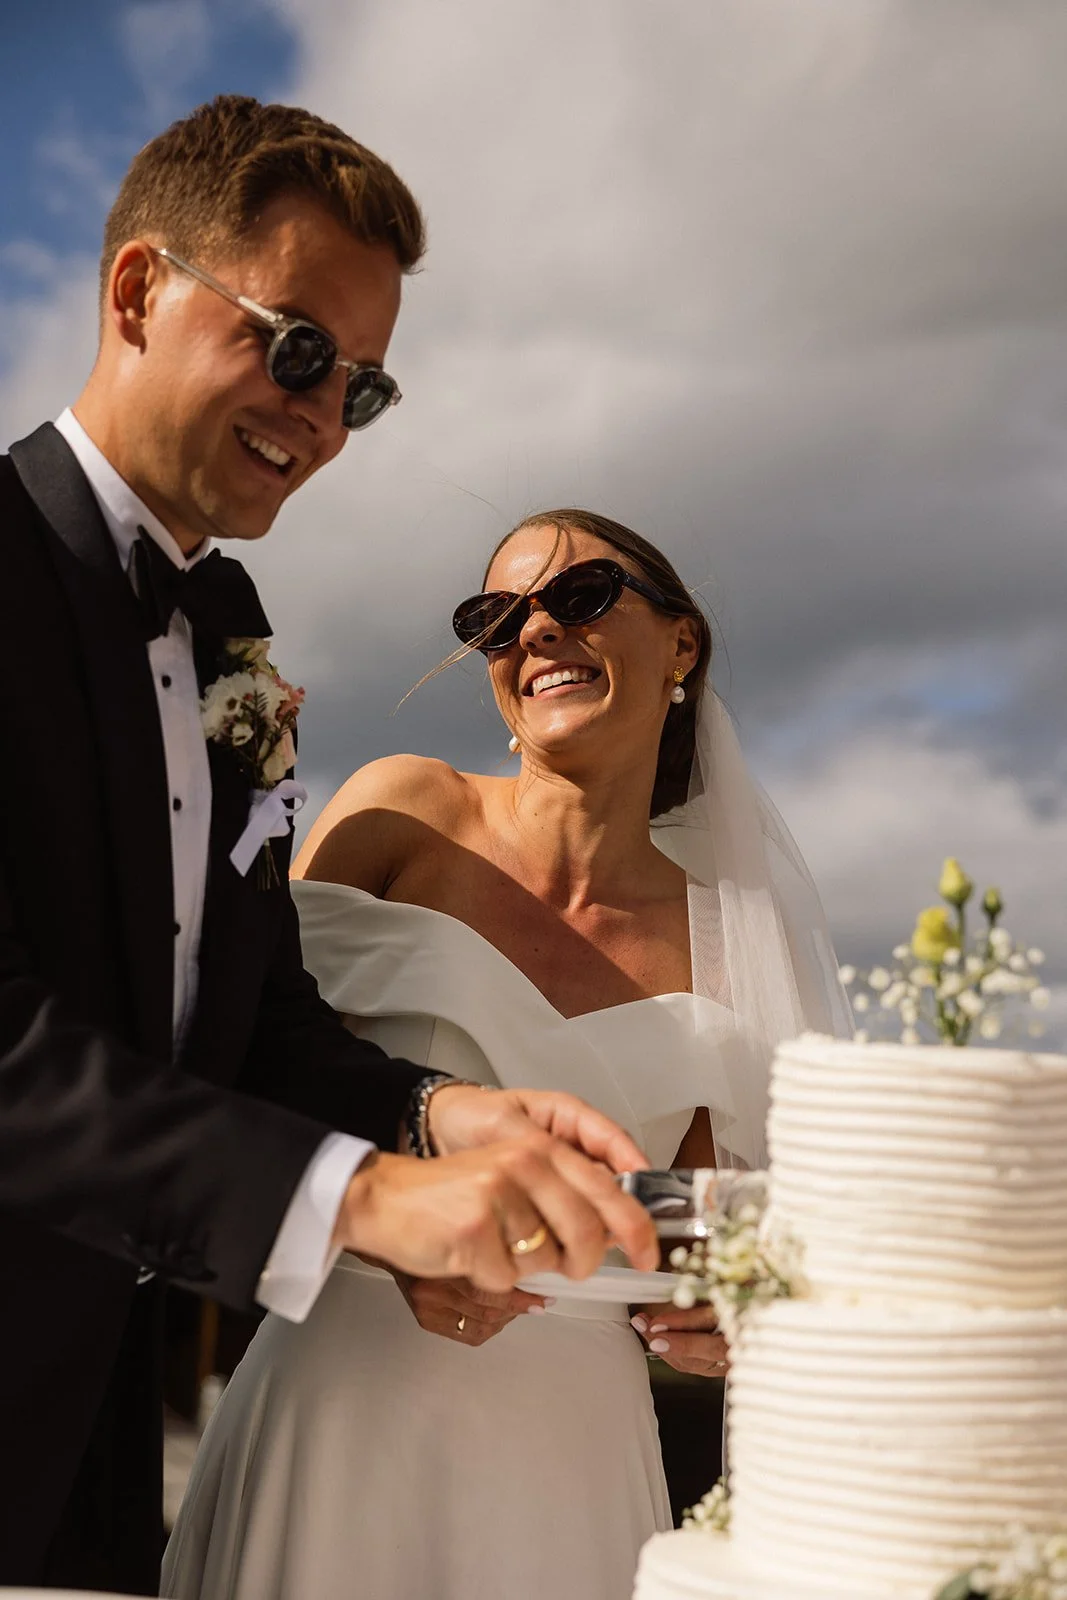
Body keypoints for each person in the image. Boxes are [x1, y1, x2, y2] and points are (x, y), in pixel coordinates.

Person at [0, 104, 660, 1594]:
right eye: (297, 349)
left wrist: (437, 1120)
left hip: (98, 1468)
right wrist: (356, 1201)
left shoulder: (235, 641)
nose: (318, 419)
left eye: (359, 393)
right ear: (134, 293)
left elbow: (251, 1025)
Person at [162, 510, 849, 1600]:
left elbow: (716, 1225)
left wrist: (721, 1315)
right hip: (337, 1393)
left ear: (682, 644)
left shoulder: (731, 930)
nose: (531, 631)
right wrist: (387, 1237)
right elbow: (248, 1059)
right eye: (494, 619)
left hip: (571, 1453)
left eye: (577, 596)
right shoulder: (400, 810)